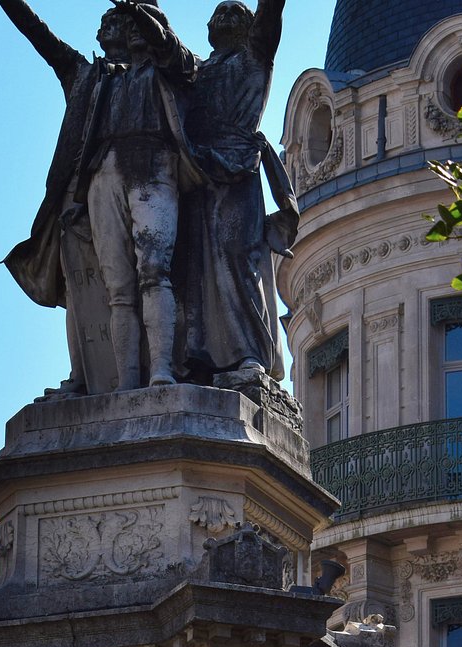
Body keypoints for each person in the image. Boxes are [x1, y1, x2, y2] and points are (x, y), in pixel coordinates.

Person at [0, 0, 131, 396]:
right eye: (105, 21)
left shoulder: (152, 73)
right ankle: (81, 377)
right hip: (75, 190)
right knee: (77, 286)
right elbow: (38, 33)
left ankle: (126, 375)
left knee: (124, 281)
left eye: (117, 20)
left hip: (125, 185)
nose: (106, 24)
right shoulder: (79, 73)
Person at [79, 1, 201, 389]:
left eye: (142, 23)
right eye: (130, 22)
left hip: (152, 164)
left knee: (154, 271)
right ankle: (127, 380)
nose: (134, 29)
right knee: (118, 287)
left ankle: (161, 368)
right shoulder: (109, 79)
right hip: (107, 168)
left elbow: (167, 46)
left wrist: (138, 8)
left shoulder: (174, 66)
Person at [180, 0, 298, 383]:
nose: (229, 16)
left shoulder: (255, 55)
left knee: (238, 256)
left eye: (237, 12)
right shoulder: (195, 72)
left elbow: (270, 11)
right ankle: (198, 354)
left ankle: (251, 352)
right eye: (221, 12)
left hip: (239, 168)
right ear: (210, 27)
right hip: (197, 173)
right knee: (195, 265)